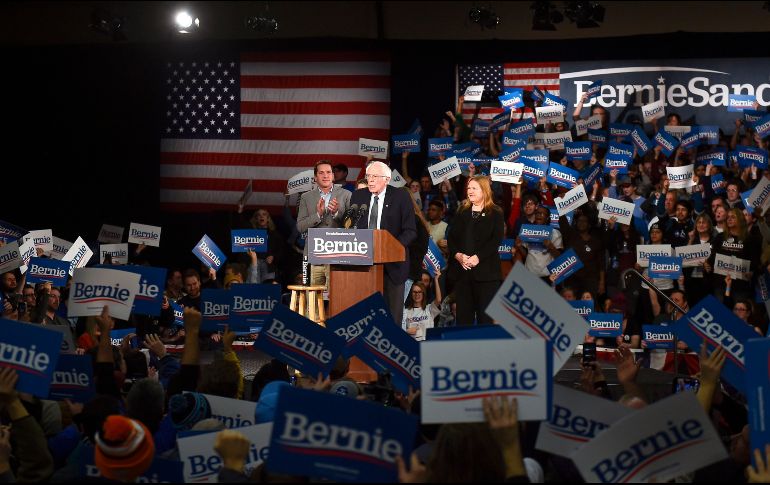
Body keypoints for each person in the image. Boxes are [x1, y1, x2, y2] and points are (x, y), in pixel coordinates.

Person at [349, 161, 417, 326]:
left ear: (386, 179)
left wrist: (390, 247)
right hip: (364, 265)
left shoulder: (401, 196)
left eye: (375, 176)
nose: (370, 180)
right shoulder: (359, 196)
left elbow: (410, 231)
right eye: (368, 176)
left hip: (393, 267)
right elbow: (352, 226)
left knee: (392, 318)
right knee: (365, 315)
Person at [446, 175, 504, 326]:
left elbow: (496, 240)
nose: (470, 191)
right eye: (468, 188)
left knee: (486, 321)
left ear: (484, 190)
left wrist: (478, 257)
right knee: (464, 320)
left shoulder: (496, 212)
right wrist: (458, 255)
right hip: (463, 276)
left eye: (474, 188)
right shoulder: (462, 211)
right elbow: (451, 238)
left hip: (487, 276)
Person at [296, 160, 352, 287]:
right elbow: (300, 227)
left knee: (338, 293)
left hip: (339, 253)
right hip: (314, 254)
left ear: (333, 176)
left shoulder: (346, 195)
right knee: (314, 296)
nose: (325, 176)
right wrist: (318, 215)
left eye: (328, 172)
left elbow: (352, 226)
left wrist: (336, 213)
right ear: (315, 177)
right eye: (321, 173)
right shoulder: (306, 197)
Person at [402, 274, 441, 342]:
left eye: (420, 292)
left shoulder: (429, 309)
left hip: (428, 344)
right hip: (412, 345)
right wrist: (406, 331)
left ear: (423, 294)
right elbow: (400, 331)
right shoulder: (406, 311)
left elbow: (438, 300)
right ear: (411, 294)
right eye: (414, 292)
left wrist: (436, 279)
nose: (417, 294)